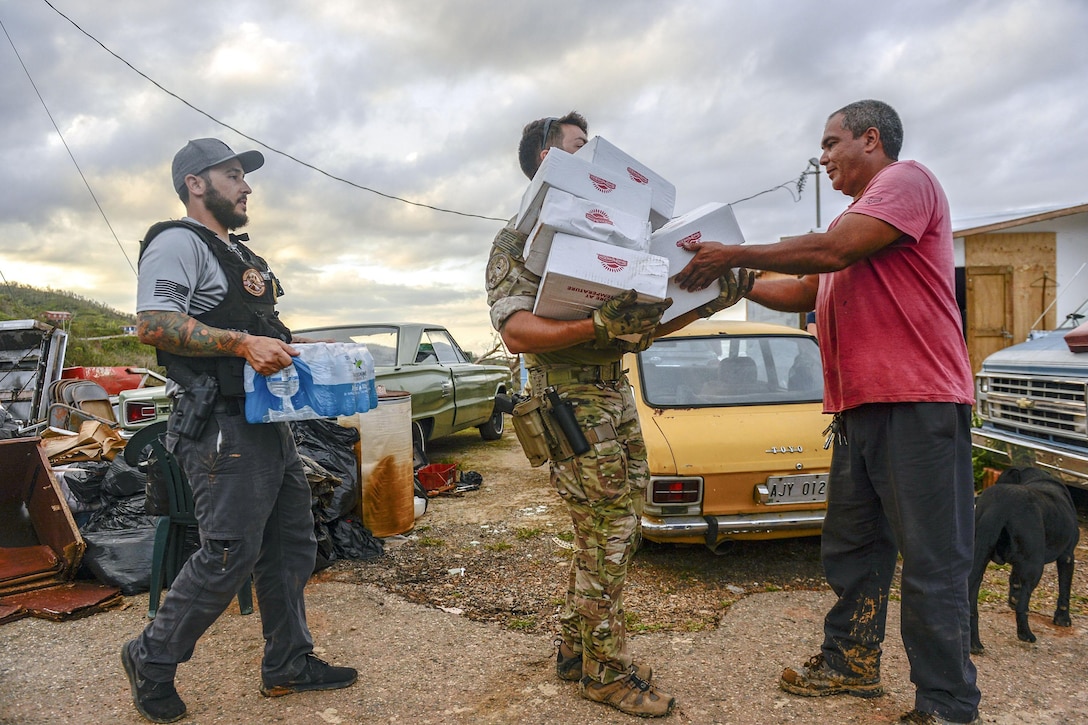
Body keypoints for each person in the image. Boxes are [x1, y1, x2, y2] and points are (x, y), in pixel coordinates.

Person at [673, 100, 981, 725]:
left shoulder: (906, 183)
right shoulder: (855, 221)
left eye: (831, 141)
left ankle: (947, 702)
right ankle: (850, 663)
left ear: (872, 140)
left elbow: (832, 253)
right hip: (861, 409)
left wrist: (731, 253)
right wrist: (722, 285)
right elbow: (798, 291)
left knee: (932, 557)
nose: (822, 156)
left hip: (918, 404)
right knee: (854, 547)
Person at [487, 113, 749, 719]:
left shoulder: (624, 241)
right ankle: (604, 672)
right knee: (608, 535)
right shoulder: (518, 242)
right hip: (569, 403)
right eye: (582, 148)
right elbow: (517, 332)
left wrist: (707, 301)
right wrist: (597, 324)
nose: (599, 160)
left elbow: (641, 332)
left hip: (615, 395)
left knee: (605, 534)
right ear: (549, 163)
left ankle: (576, 651)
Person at [123, 138, 357, 723]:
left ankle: (289, 663)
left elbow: (259, 330)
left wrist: (305, 350)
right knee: (228, 553)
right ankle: (150, 658)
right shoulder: (178, 242)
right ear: (195, 184)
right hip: (219, 427)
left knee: (290, 545)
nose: (246, 186)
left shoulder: (245, 259)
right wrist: (240, 344)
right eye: (232, 175)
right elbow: (153, 323)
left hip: (264, 424)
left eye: (243, 177)